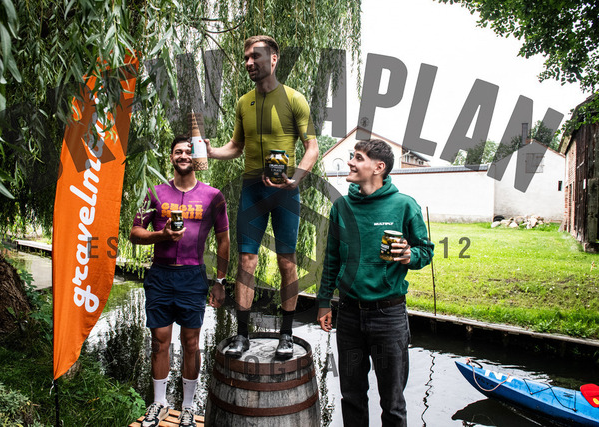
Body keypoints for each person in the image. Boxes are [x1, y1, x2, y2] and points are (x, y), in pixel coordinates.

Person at [206, 35, 318, 359]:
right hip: (252, 189)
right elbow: (236, 146)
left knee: (287, 262)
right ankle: (241, 335)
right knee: (246, 261)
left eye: (255, 56)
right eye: (245, 58)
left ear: (274, 58)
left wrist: (296, 178)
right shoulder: (244, 103)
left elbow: (312, 147)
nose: (248, 63)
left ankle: (286, 335)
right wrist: (212, 152)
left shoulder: (295, 99)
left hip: (285, 191)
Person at [317, 139, 434, 426]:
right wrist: (323, 302)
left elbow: (426, 251)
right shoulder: (341, 207)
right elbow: (331, 258)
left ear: (379, 167)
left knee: (392, 403)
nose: (350, 162)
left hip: (388, 316)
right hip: (348, 316)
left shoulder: (404, 205)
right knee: (352, 397)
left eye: (358, 158)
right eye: (352, 156)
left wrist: (409, 255)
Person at [130, 134, 230, 427]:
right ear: (171, 157)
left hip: (192, 276)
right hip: (160, 275)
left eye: (188, 151)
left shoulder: (213, 196)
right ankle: (159, 403)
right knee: (159, 341)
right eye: (178, 151)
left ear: (197, 158)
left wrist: (220, 281)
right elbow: (134, 233)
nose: (183, 155)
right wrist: (160, 235)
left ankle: (187, 407)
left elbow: (224, 240)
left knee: (191, 342)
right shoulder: (154, 192)